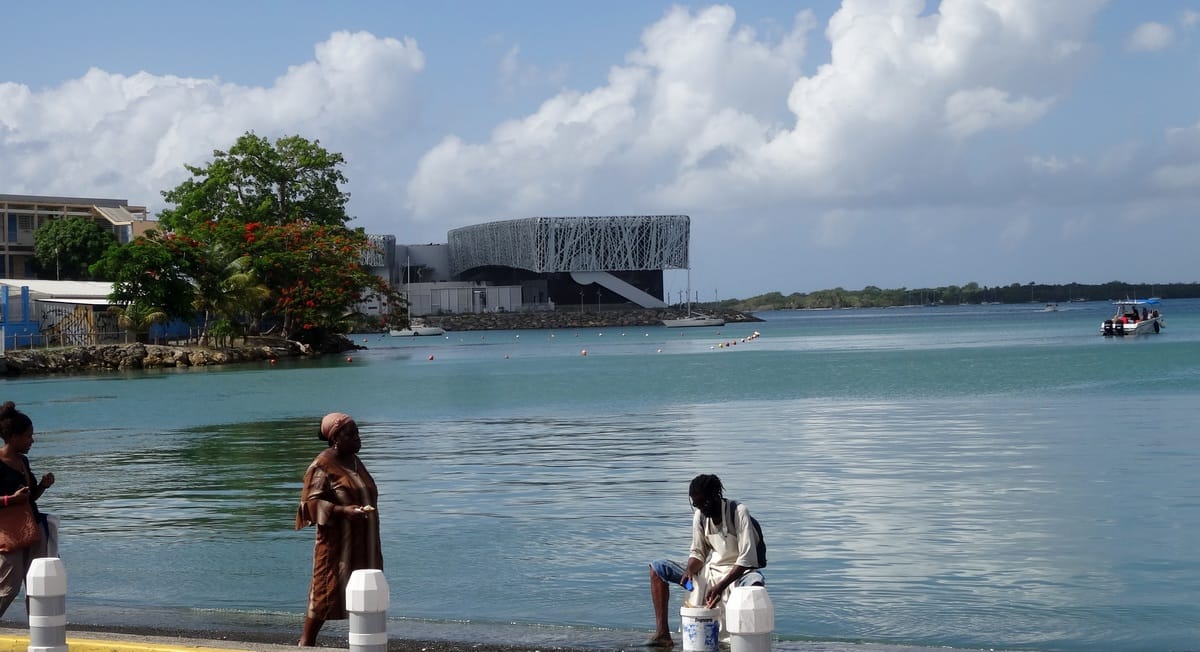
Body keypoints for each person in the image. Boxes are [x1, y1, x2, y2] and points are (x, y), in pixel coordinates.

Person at [647, 474, 765, 647]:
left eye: (705, 503)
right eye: (697, 505)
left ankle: (746, 642)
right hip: (712, 569)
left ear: (716, 495)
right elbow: (698, 553)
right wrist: (690, 570)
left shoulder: (738, 512)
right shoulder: (700, 516)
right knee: (658, 568)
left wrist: (720, 586)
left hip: (741, 570)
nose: (702, 508)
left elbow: (747, 559)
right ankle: (662, 634)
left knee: (755, 586)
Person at [296, 412, 382, 646]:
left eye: (358, 432)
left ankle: (365, 642)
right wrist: (343, 511)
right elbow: (308, 506)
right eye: (351, 434)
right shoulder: (322, 465)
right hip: (337, 546)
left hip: (365, 542)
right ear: (335, 438)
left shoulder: (354, 461)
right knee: (325, 593)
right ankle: (306, 643)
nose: (357, 437)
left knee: (366, 591)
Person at [0, 402, 55, 617]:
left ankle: (40, 630)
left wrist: (42, 486)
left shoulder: (23, 461)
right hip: (9, 533)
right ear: (13, 437)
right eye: (28, 436)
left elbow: (29, 498)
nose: (32, 441)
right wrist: (10, 499)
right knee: (8, 588)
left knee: (38, 586)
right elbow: (15, 500)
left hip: (32, 528)